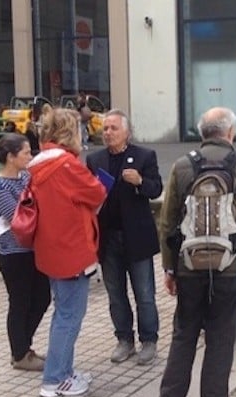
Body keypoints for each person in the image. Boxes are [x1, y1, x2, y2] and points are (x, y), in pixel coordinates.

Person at [158, 107, 236, 397]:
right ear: (230, 132)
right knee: (221, 335)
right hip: (227, 267)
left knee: (184, 332)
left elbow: (167, 223)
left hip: (188, 266)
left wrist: (170, 268)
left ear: (201, 132)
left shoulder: (182, 166)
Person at [29, 108, 106, 397]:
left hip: (51, 249)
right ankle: (55, 379)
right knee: (69, 316)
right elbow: (97, 193)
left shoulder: (37, 165)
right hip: (73, 249)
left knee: (63, 313)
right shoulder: (67, 165)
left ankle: (64, 371)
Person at [85, 109, 163, 365]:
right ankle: (124, 339)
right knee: (115, 293)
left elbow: (156, 189)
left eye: (113, 128)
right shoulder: (95, 159)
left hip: (137, 237)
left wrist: (140, 181)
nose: (108, 133)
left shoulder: (144, 156)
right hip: (108, 239)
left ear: (127, 132)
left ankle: (149, 340)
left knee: (144, 292)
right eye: (105, 129)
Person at [0, 133, 50, 371]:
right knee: (20, 302)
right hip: (14, 253)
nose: (30, 157)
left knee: (42, 298)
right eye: (25, 153)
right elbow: (19, 218)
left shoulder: (26, 177)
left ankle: (24, 346)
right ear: (11, 157)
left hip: (34, 250)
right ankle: (19, 353)